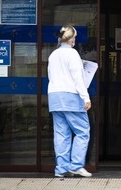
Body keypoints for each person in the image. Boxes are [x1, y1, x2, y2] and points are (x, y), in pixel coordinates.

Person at [47, 23, 92, 178]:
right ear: (72, 38)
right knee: (82, 131)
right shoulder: (72, 54)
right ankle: (76, 165)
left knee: (61, 133)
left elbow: (50, 76)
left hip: (54, 97)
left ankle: (61, 169)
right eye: (74, 37)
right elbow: (78, 78)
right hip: (70, 96)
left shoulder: (53, 55)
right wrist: (85, 97)